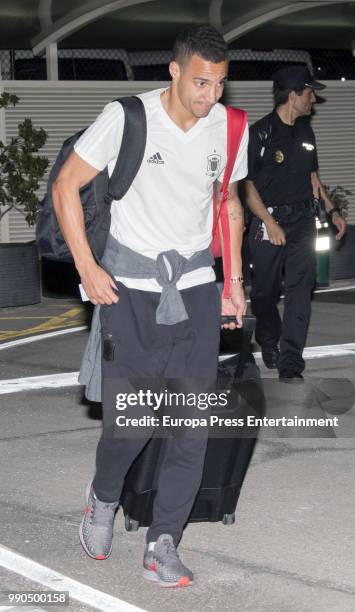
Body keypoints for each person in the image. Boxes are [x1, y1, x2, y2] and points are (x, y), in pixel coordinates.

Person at [52, 25, 248, 588]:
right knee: (132, 424)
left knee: (191, 425)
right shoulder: (128, 117)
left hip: (195, 290)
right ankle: (103, 496)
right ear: (174, 70)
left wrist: (232, 281)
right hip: (131, 291)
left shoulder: (228, 128)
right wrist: (88, 267)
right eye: (200, 82)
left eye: (219, 84)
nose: (209, 95)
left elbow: (228, 204)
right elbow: (68, 185)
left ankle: (164, 542)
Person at [245, 65, 347, 383]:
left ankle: (291, 363)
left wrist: (332, 211)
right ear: (293, 95)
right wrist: (269, 222)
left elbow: (312, 178)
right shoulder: (260, 134)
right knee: (263, 293)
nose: (313, 99)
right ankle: (268, 335)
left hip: (302, 220)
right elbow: (246, 187)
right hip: (268, 222)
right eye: (309, 92)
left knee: (301, 290)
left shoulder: (306, 131)